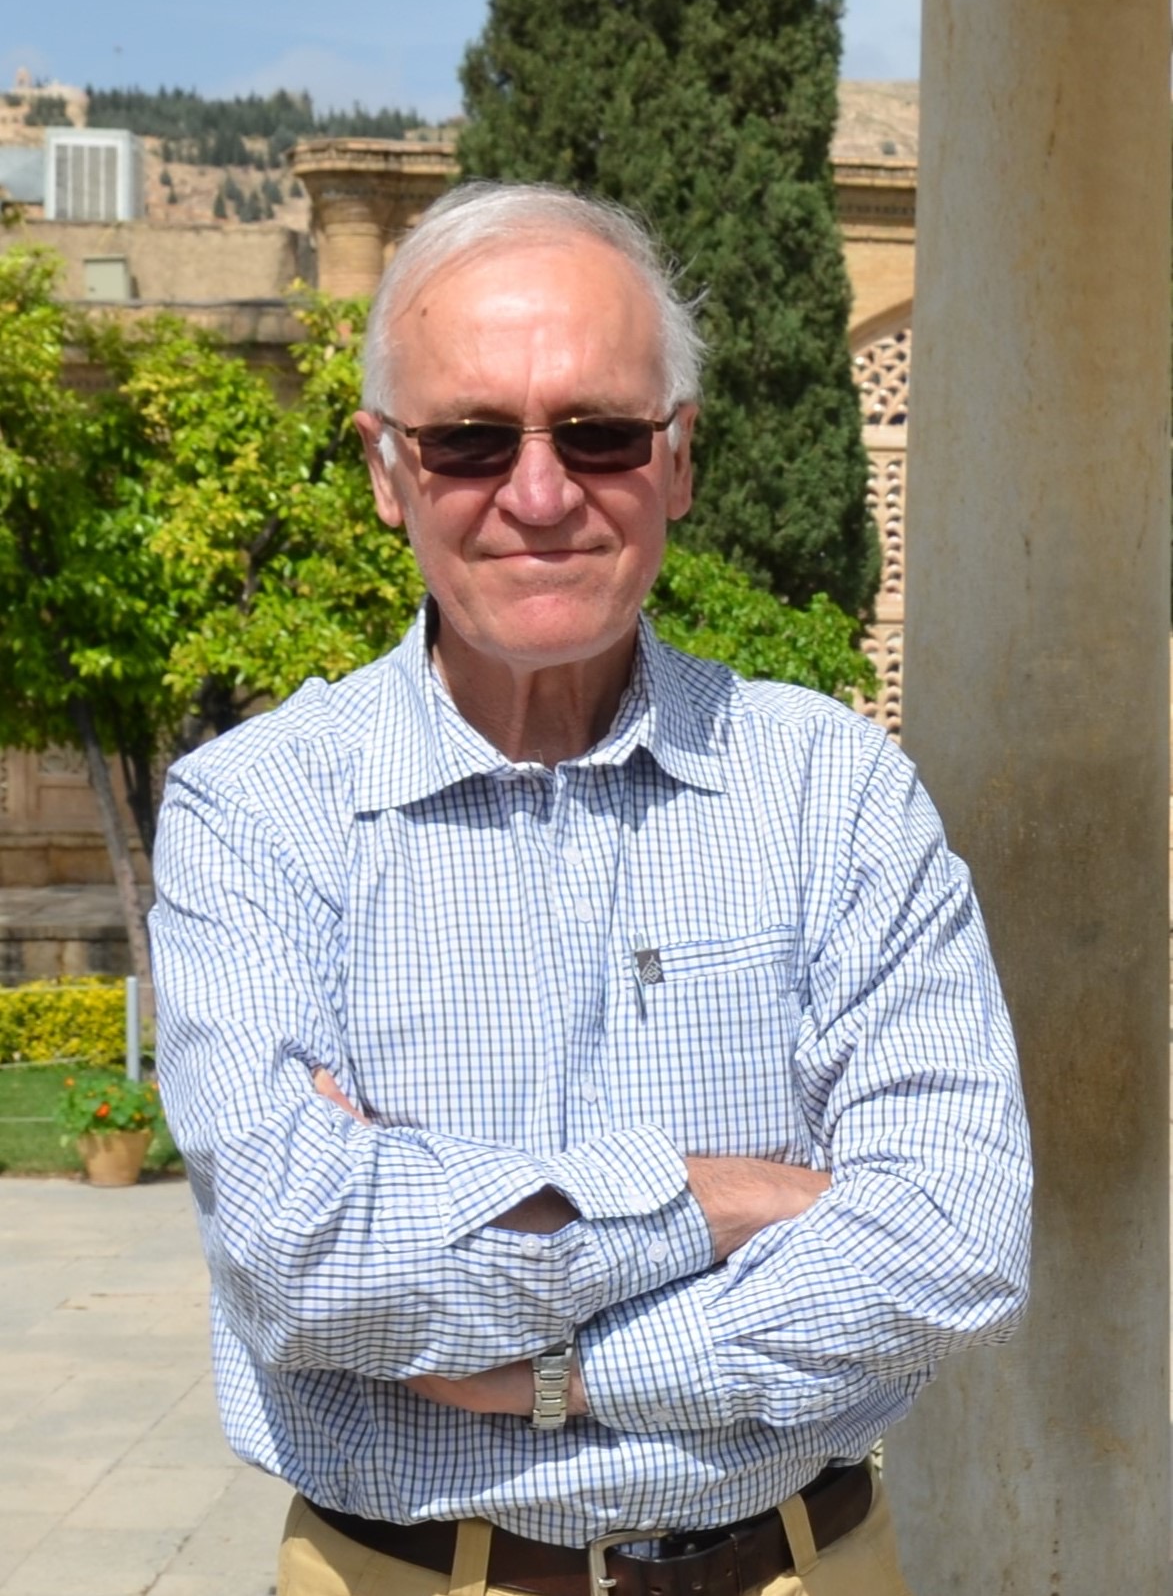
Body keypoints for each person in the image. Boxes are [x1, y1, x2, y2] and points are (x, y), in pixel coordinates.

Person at [150, 181, 1031, 1596]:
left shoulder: (833, 792)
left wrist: (548, 1371)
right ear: (386, 471)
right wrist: (723, 1198)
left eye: (600, 434)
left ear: (676, 460)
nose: (541, 493)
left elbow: (953, 1238)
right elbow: (302, 1261)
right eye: (470, 440)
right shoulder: (259, 812)